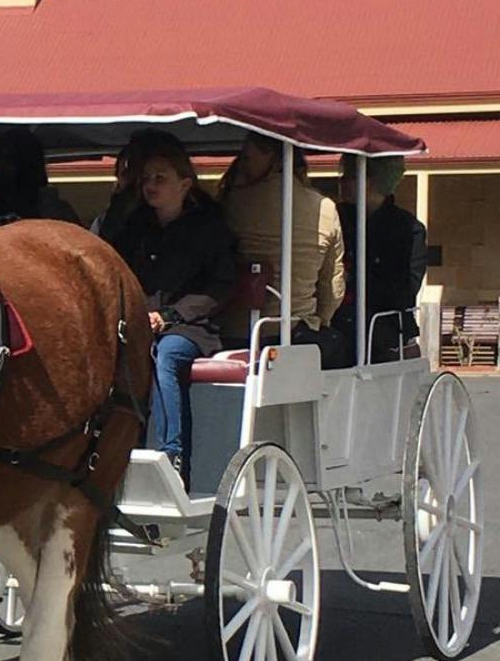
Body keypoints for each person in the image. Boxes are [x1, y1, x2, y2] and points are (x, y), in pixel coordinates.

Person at [101, 133, 237, 487]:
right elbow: (110, 254)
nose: (150, 185)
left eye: (160, 178)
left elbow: (221, 287)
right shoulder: (137, 227)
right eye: (146, 179)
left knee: (166, 354)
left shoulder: (210, 228)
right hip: (139, 323)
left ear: (185, 183)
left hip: (191, 327)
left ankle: (171, 457)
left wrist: (172, 316)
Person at [218, 133, 346, 362]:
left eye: (247, 157)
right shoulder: (325, 207)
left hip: (235, 331)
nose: (242, 164)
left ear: (273, 158)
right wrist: (319, 321)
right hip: (296, 330)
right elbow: (333, 286)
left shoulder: (233, 202)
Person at [334, 154, 427, 363]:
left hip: (384, 329)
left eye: (350, 175)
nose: (340, 181)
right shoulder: (334, 218)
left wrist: (351, 278)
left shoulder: (407, 228)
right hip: (336, 323)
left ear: (374, 180)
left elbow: (405, 290)